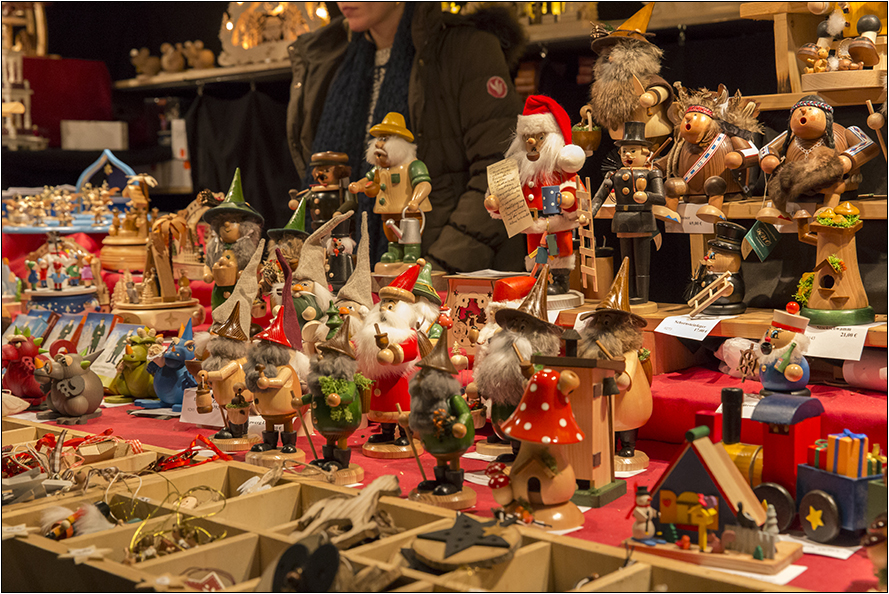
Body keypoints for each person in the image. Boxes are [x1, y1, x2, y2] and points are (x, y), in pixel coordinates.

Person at [287, 2, 527, 272]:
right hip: (351, 276)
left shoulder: (466, 48)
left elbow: (504, 174)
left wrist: (435, 270)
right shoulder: (330, 59)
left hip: (450, 277)